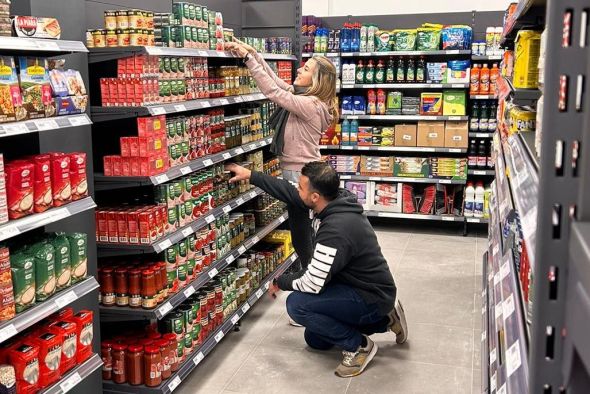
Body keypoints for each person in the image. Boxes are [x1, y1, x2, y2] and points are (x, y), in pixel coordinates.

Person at [225, 161, 408, 378]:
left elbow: (313, 281)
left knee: (297, 305)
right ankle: (385, 320)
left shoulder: (336, 229)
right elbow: (287, 191)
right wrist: (250, 174)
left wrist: (281, 282)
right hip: (357, 284)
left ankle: (359, 346)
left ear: (314, 197)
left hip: (369, 294)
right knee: (315, 340)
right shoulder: (333, 199)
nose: (296, 190)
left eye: (301, 187)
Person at [225, 38, 338, 274]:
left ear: (317, 80)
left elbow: (273, 91)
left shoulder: (310, 104)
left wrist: (247, 59)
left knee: (301, 236)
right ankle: (313, 273)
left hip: (301, 174)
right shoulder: (306, 97)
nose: (299, 69)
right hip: (301, 170)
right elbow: (278, 83)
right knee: (303, 231)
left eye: (306, 69)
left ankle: (312, 279)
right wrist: (254, 54)